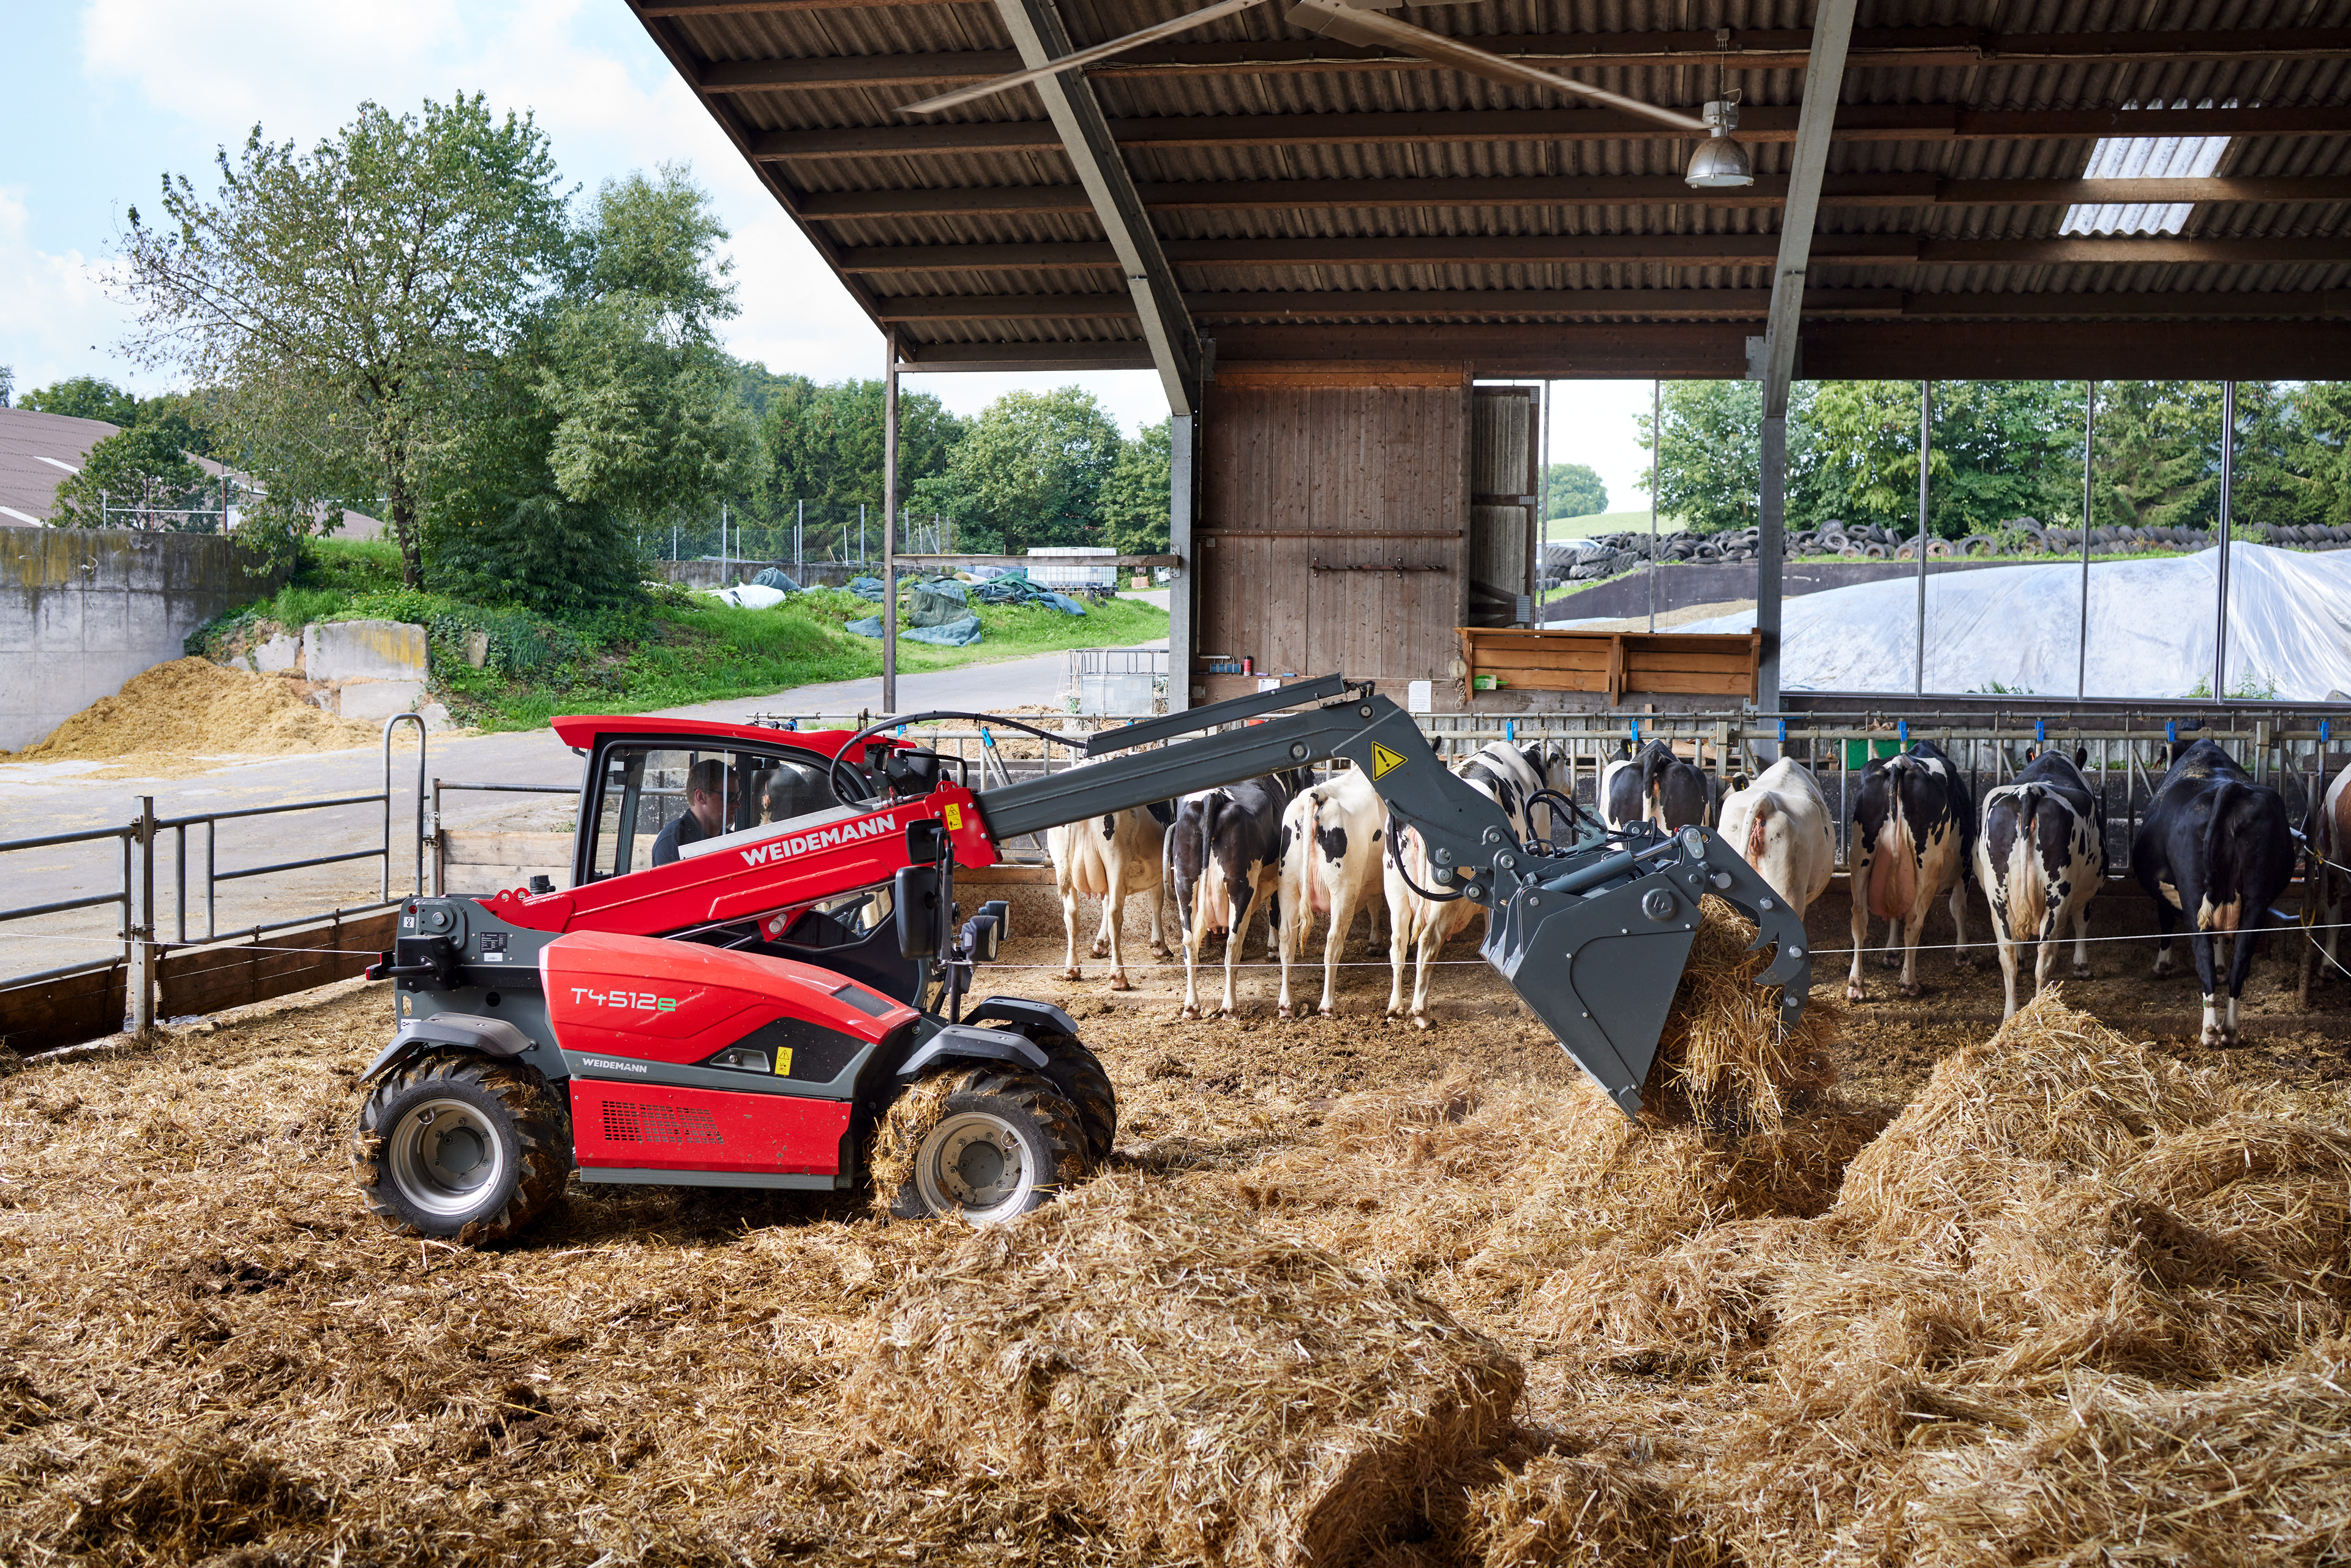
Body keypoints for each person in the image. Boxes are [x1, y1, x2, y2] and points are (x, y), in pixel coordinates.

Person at [651, 759, 738, 866]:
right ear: (701, 797)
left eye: (737, 796)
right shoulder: (673, 842)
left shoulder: (732, 841)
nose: (737, 805)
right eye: (729, 797)